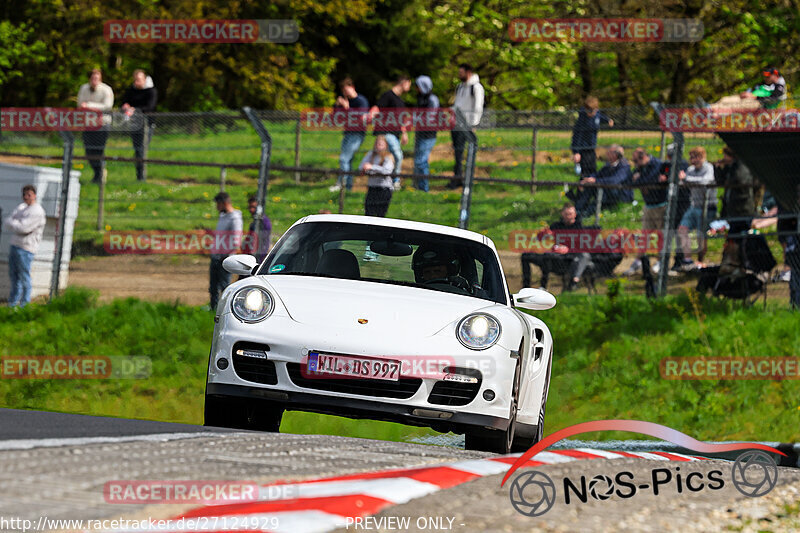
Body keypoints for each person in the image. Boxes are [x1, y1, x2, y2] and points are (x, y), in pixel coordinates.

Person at [520, 203, 590, 292]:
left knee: (547, 256)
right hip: (551, 255)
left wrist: (567, 249)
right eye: (566, 214)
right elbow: (539, 239)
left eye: (571, 214)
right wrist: (543, 233)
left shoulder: (579, 228)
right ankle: (526, 287)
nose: (569, 216)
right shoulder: (556, 225)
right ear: (562, 214)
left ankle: (543, 286)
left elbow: (582, 248)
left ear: (575, 214)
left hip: (566, 259)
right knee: (525, 256)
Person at [3, 185, 46, 307]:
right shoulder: (22, 208)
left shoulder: (37, 211)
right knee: (14, 277)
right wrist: (16, 223)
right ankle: (12, 305)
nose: (26, 197)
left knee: (24, 277)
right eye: (24, 195)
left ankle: (24, 304)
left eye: (29, 195)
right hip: (15, 245)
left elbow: (24, 228)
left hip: (26, 248)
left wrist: (15, 223)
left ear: (35, 195)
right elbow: (7, 222)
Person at [677, 147, 717, 270]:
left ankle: (700, 261)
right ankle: (688, 260)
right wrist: (684, 180)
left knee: (701, 236)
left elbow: (705, 181)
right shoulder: (690, 170)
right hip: (694, 206)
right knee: (682, 230)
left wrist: (686, 179)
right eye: (691, 157)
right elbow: (682, 184)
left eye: (693, 157)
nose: (691, 160)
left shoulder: (708, 168)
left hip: (707, 207)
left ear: (700, 157)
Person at [370, 76, 411, 190]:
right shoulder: (388, 96)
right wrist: (370, 115)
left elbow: (401, 119)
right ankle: (396, 180)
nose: (409, 87)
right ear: (404, 82)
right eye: (409, 84)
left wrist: (404, 133)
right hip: (386, 131)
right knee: (398, 155)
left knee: (390, 157)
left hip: (396, 133)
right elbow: (377, 108)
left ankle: (387, 181)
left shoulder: (400, 101)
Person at [448, 63, 485, 189]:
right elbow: (458, 103)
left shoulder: (476, 87)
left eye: (461, 73)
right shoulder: (460, 87)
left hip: (466, 124)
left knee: (467, 152)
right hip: (456, 123)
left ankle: (467, 178)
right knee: (457, 152)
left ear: (468, 72)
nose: (459, 75)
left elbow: (478, 106)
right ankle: (457, 177)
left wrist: (473, 123)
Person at [570, 144, 633, 218]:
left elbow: (614, 181)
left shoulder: (624, 166)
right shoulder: (608, 164)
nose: (606, 153)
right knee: (590, 186)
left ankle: (587, 213)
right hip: (608, 189)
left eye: (609, 152)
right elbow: (598, 174)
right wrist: (588, 180)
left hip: (621, 193)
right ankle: (577, 210)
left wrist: (595, 180)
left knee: (601, 191)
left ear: (615, 155)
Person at [332, 78, 369, 192]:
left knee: (344, 159)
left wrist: (347, 107)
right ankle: (348, 187)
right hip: (347, 133)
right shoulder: (344, 101)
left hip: (357, 134)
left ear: (352, 87)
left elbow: (361, 117)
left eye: (346, 90)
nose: (345, 93)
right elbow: (336, 118)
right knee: (348, 161)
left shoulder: (361, 101)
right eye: (343, 91)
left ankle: (341, 184)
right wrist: (337, 106)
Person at [77, 69, 114, 184]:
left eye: (97, 78)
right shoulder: (84, 88)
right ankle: (97, 173)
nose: (95, 80)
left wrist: (89, 105)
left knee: (99, 150)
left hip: (102, 124)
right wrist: (91, 108)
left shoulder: (106, 90)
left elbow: (107, 106)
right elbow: (79, 104)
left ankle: (100, 174)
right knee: (89, 151)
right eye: (93, 78)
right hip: (88, 123)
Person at [120, 69, 158, 182]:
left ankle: (142, 177)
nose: (136, 82)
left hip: (147, 125)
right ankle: (139, 175)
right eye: (135, 80)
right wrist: (125, 106)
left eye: (139, 80)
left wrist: (135, 110)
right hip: (135, 124)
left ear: (144, 80)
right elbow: (124, 101)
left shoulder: (151, 91)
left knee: (142, 149)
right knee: (137, 150)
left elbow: (150, 107)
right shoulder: (131, 90)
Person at [209, 192, 243, 310]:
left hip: (224, 258)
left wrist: (226, 254)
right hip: (216, 257)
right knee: (213, 287)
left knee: (224, 286)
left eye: (218, 204)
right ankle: (213, 309)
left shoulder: (235, 219)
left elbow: (236, 240)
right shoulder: (223, 217)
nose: (216, 207)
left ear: (224, 203)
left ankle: (225, 310)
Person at [571, 96, 614, 179]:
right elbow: (576, 137)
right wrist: (576, 152)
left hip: (592, 147)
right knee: (586, 172)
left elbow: (600, 117)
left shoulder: (596, 114)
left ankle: (592, 188)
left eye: (594, 111)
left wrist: (608, 120)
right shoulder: (582, 120)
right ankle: (585, 188)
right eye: (589, 111)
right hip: (584, 148)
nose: (592, 113)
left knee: (593, 170)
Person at [716, 147, 755, 234]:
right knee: (733, 237)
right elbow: (720, 182)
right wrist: (718, 169)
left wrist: (728, 180)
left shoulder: (741, 166)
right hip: (732, 209)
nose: (724, 158)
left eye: (726, 156)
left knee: (741, 235)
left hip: (742, 209)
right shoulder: (730, 167)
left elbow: (740, 180)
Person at [413, 75, 439, 192]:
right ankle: (417, 186)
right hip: (420, 132)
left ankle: (424, 188)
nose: (416, 89)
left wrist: (415, 119)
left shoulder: (432, 99)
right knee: (418, 160)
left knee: (421, 161)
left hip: (428, 135)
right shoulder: (420, 98)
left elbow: (430, 117)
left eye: (418, 86)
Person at [360, 135, 396, 218]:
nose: (378, 146)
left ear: (385, 146)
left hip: (383, 189)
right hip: (372, 188)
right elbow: (362, 166)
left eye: (380, 144)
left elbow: (387, 170)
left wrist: (372, 167)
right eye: (376, 144)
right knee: (369, 214)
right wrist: (367, 168)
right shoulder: (371, 155)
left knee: (380, 215)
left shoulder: (388, 156)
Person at [244, 195, 271, 263]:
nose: (251, 210)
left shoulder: (264, 222)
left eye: (253, 207)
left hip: (258, 259)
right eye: (250, 207)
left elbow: (263, 242)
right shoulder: (254, 222)